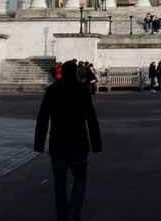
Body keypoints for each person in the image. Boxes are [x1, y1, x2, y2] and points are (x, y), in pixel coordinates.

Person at [35, 60, 102, 221]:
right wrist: (96, 144)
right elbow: (91, 119)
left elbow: (43, 118)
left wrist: (39, 143)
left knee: (60, 183)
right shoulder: (82, 90)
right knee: (80, 179)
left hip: (58, 142)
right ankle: (74, 213)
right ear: (76, 73)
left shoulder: (52, 90)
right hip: (79, 142)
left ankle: (62, 216)